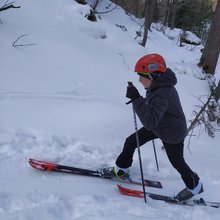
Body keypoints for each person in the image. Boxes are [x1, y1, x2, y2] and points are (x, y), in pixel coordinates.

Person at [110, 54, 203, 201]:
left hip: (172, 133)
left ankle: (195, 185)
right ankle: (121, 170)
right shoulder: (158, 85)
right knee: (131, 141)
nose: (139, 80)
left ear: (154, 75)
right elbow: (154, 111)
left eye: (142, 76)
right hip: (159, 125)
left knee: (177, 162)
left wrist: (136, 99)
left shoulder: (162, 93)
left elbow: (150, 122)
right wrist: (139, 99)